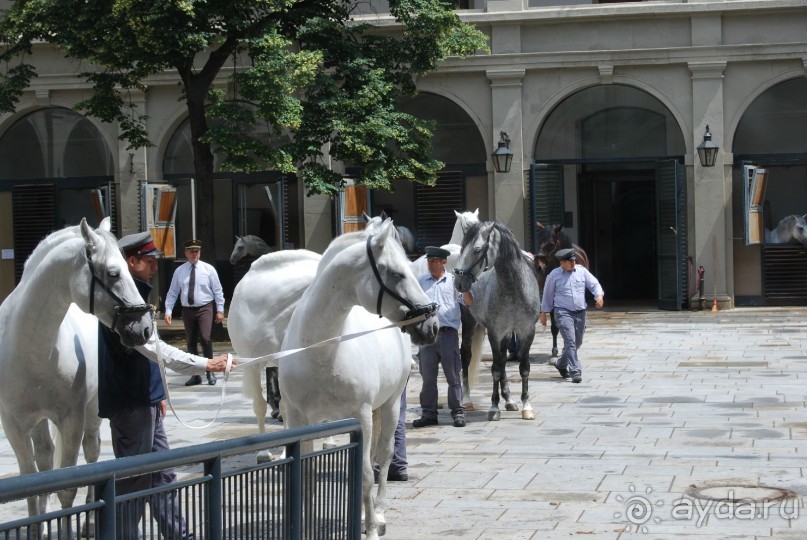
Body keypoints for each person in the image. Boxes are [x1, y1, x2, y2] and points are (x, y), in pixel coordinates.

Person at [98, 231, 231, 540]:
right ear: (132, 262)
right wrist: (206, 364)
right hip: (131, 404)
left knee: (162, 474)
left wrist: (157, 392)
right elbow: (157, 350)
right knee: (135, 480)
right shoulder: (120, 304)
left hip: (144, 400)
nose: (155, 266)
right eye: (150, 261)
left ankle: (178, 535)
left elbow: (145, 355)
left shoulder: (134, 296)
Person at [413, 246, 468, 428]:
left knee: (453, 376)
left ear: (443, 262)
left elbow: (469, 302)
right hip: (427, 337)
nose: (430, 265)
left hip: (447, 335)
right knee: (428, 378)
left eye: (434, 261)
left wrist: (465, 287)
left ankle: (458, 412)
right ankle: (429, 413)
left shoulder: (453, 281)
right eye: (429, 261)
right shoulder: (420, 282)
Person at [164, 239, 226, 386]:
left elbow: (218, 290)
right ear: (186, 253)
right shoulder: (180, 271)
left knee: (205, 338)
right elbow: (173, 292)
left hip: (205, 307)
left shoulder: (208, 269)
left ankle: (210, 372)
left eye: (197, 251)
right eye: (191, 252)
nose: (194, 254)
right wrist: (168, 311)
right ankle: (195, 374)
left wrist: (220, 310)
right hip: (187, 310)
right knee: (191, 341)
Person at [539, 247, 604, 384]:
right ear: (562, 263)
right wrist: (543, 313)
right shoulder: (554, 275)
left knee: (577, 342)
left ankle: (561, 363)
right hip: (563, 312)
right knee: (570, 341)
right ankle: (575, 371)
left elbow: (594, 284)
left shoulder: (581, 271)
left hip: (580, 312)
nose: (573, 263)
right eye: (570, 261)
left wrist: (599, 296)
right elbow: (547, 295)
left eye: (574, 260)